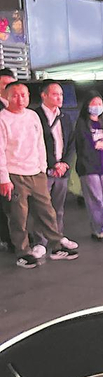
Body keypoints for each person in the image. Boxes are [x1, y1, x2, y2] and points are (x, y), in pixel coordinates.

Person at [0, 81, 80, 268]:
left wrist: (42, 168)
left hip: (36, 172)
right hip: (15, 173)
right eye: (15, 95)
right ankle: (23, 252)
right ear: (7, 97)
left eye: (24, 95)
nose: (20, 99)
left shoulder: (32, 116)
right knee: (19, 216)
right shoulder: (2, 119)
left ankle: (56, 245)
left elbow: (39, 144)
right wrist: (4, 178)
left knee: (47, 211)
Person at [31, 81, 76, 256]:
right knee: (41, 208)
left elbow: (71, 142)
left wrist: (64, 163)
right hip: (43, 170)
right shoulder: (35, 116)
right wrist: (53, 164)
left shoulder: (65, 117)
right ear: (44, 95)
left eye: (61, 94)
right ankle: (40, 242)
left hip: (62, 171)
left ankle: (57, 238)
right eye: (55, 94)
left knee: (58, 207)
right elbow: (37, 143)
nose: (59, 98)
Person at [74, 93, 103, 239]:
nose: (97, 107)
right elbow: (84, 145)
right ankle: (102, 228)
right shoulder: (82, 124)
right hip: (88, 167)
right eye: (94, 103)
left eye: (100, 103)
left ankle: (98, 227)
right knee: (95, 199)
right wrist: (100, 144)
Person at [0, 67, 15, 250]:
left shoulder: (20, 106)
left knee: (15, 203)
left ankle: (16, 235)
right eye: (4, 84)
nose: (8, 88)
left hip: (16, 163)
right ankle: (7, 237)